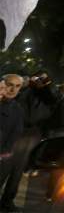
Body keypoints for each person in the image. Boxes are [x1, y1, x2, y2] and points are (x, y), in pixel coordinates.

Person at [0, 75, 25, 212]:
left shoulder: (18, 110)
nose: (12, 89)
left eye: (17, 86)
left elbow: (15, 134)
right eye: (10, 84)